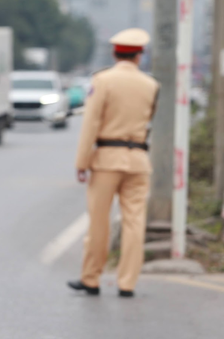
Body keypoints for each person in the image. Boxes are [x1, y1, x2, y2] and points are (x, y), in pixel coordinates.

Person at [67, 28, 159, 299]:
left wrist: (82, 162)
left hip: (107, 159)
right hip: (139, 160)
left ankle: (92, 278)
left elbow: (91, 123)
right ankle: (127, 282)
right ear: (139, 56)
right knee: (134, 223)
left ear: (114, 53)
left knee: (99, 221)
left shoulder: (103, 80)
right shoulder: (151, 85)